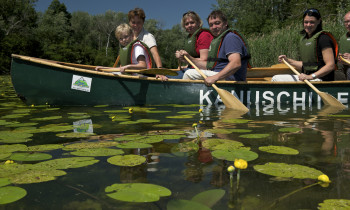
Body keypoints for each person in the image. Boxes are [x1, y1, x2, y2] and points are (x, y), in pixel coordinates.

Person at [178, 10, 250, 86]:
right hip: (218, 73)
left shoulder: (230, 38)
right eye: (211, 25)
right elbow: (208, 65)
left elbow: (236, 63)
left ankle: (185, 97)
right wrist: (189, 59)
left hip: (230, 77)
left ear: (225, 23)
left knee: (189, 73)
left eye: (217, 23)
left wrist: (215, 77)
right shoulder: (219, 39)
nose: (214, 27)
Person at [273, 8, 338, 82]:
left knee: (276, 79)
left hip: (320, 79)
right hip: (308, 78)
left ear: (319, 21)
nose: (308, 25)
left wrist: (311, 76)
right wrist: (288, 60)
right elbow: (306, 66)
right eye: (306, 22)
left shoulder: (324, 39)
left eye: (312, 22)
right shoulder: (305, 39)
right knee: (276, 78)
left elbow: (330, 65)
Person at [128, 8, 166, 81]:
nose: (136, 25)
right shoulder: (127, 37)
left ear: (143, 22)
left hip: (145, 73)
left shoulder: (148, 36)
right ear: (129, 22)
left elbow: (155, 54)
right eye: (133, 22)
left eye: (139, 22)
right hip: (130, 71)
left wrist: (160, 71)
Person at [173, 11, 213, 79]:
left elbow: (204, 60)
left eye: (192, 22)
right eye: (186, 24)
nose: (189, 25)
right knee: (165, 75)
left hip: (205, 70)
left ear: (198, 23)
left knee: (169, 78)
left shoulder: (204, 35)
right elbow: (194, 59)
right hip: (193, 68)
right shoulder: (189, 38)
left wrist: (186, 58)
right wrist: (186, 65)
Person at [338, 11, 350, 80]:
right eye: (346, 22)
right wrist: (340, 57)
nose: (349, 24)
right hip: (342, 68)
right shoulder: (343, 38)